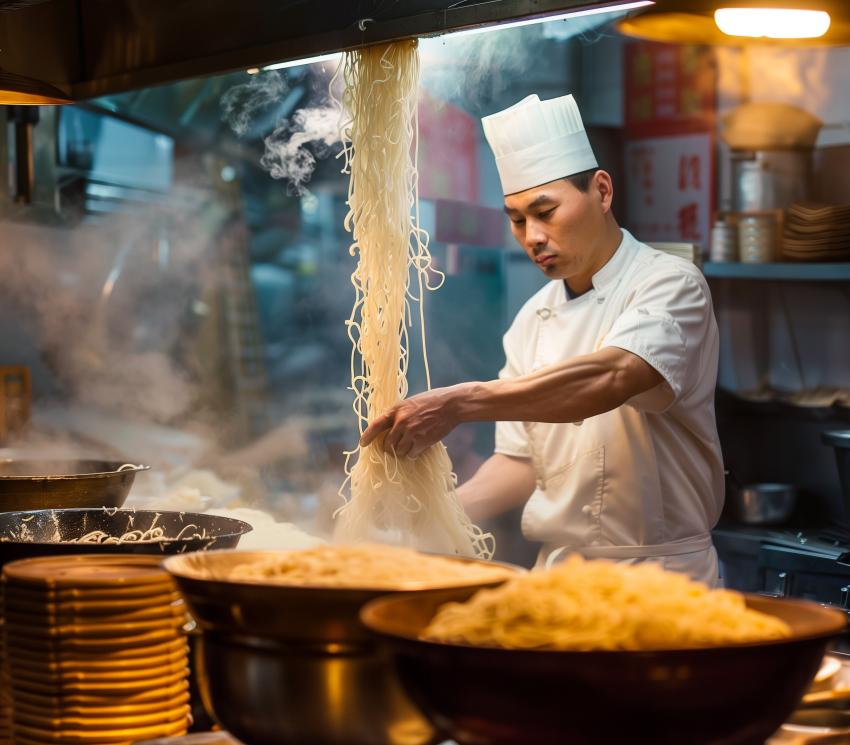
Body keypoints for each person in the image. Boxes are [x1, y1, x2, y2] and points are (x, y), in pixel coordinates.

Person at [360, 93, 724, 586]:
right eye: (516, 219)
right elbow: (521, 463)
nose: (531, 236)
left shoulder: (670, 283)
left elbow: (613, 376)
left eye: (545, 211)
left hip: (661, 575)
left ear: (601, 191)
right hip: (557, 578)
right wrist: (423, 521)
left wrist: (457, 404)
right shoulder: (532, 318)